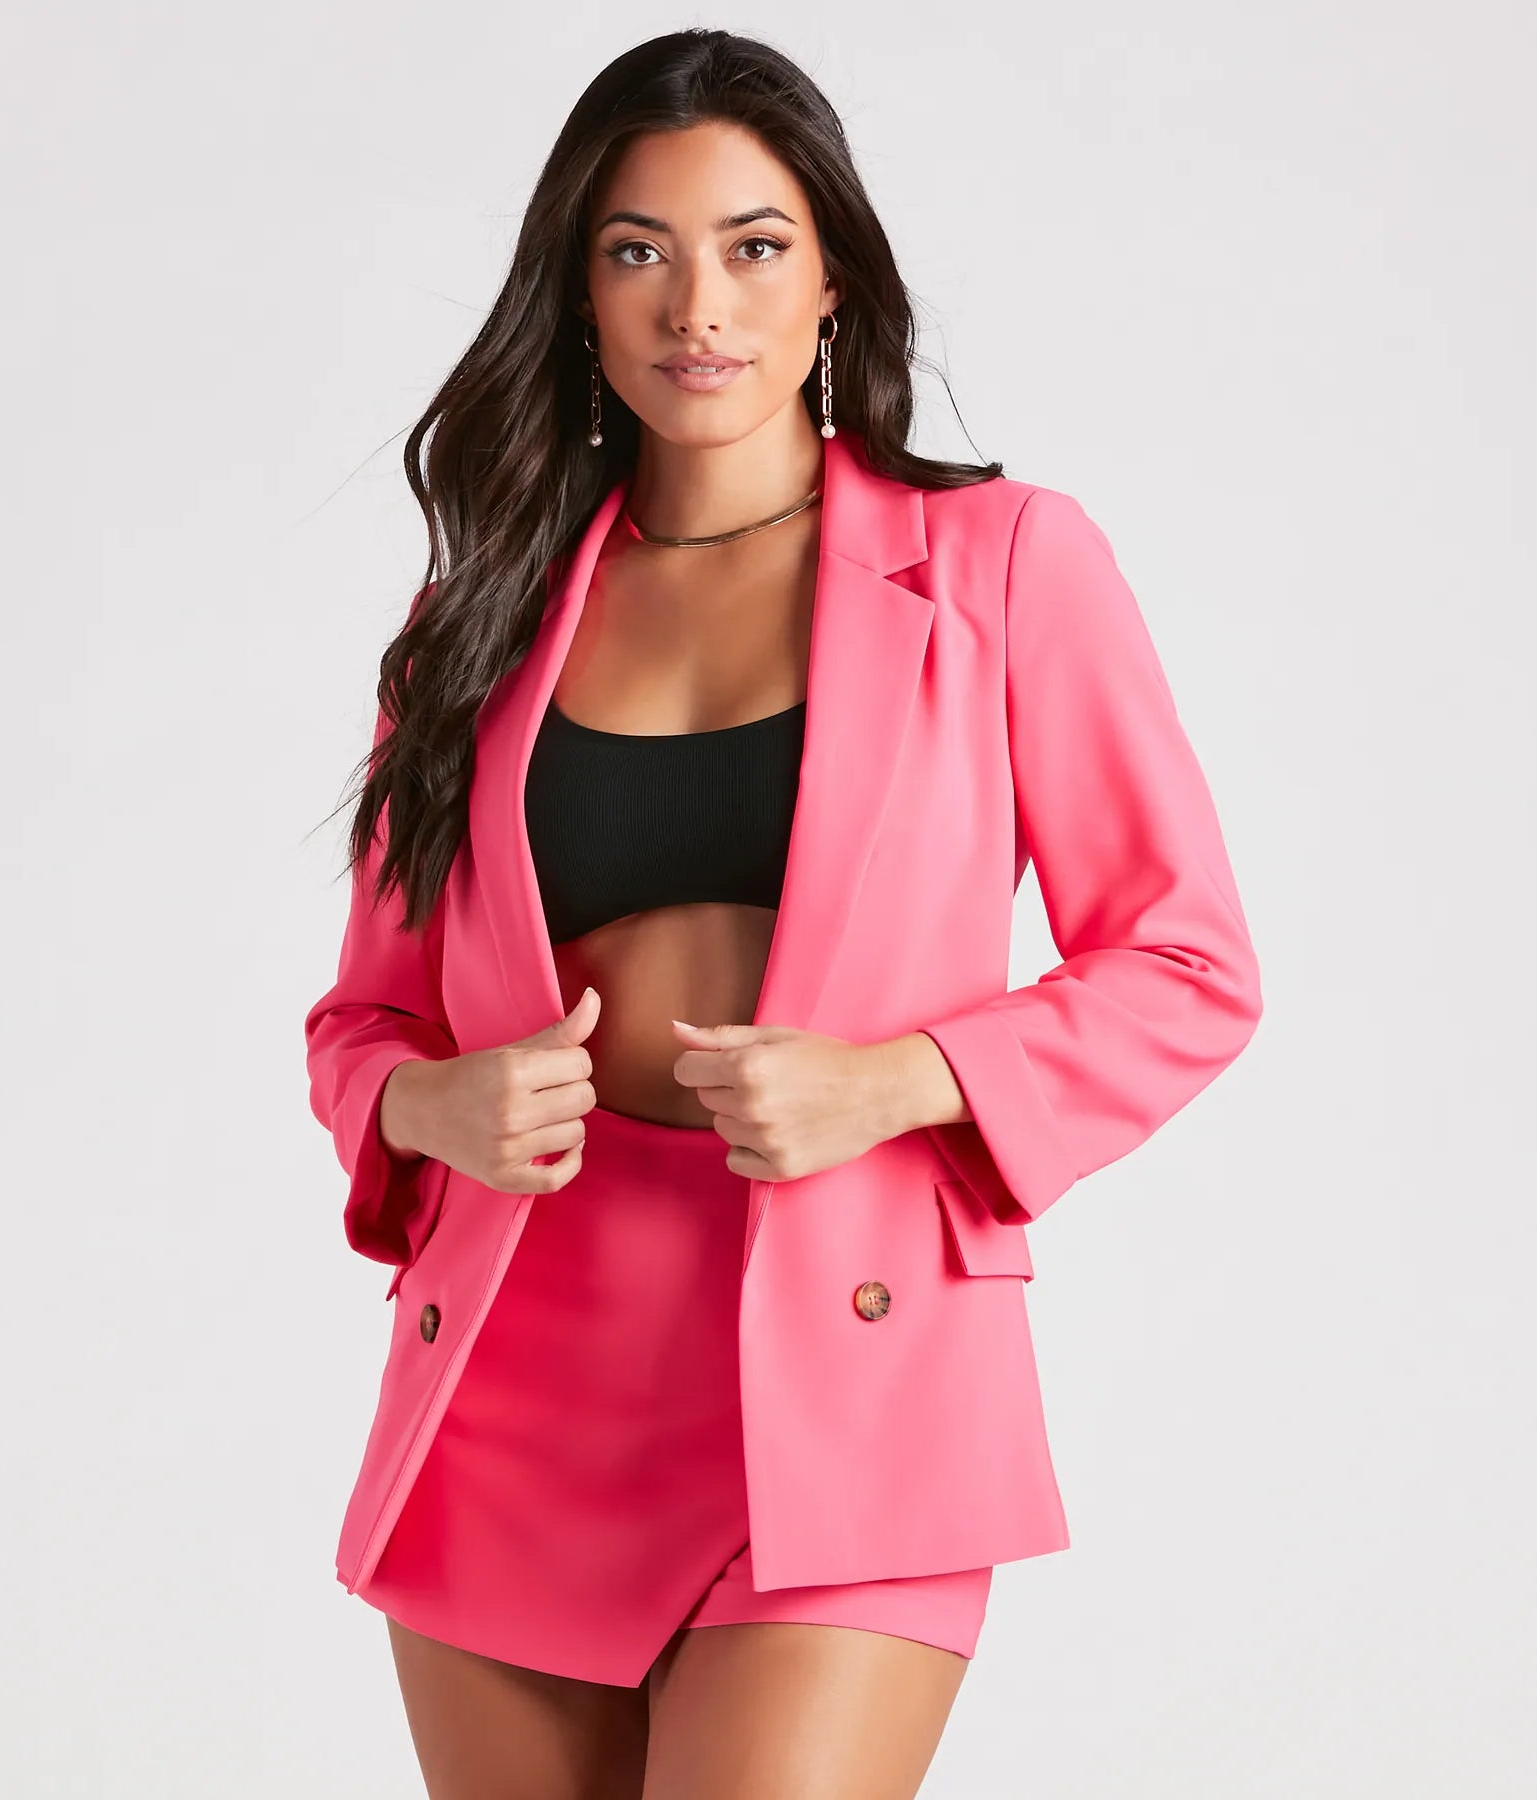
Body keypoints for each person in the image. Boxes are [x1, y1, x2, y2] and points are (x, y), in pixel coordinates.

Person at [301, 27, 1262, 1800]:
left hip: (853, 1364)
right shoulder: (472, 620)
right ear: (577, 293)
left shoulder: (1001, 566)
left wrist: (896, 1079)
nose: (698, 306)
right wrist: (426, 1106)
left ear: (831, 280)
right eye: (637, 251)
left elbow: (1185, 962)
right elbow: (365, 1021)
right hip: (518, 1365)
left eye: (753, 246)